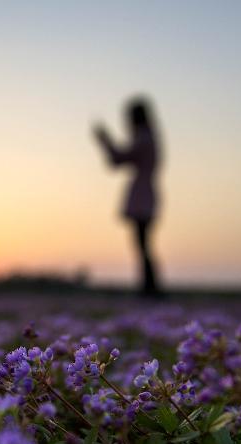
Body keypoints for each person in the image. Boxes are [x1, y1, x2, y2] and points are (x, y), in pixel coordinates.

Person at [93, 98, 162, 297]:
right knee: (143, 243)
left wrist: (104, 140)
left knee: (142, 243)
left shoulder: (143, 138)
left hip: (142, 195)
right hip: (147, 192)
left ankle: (150, 289)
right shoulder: (151, 137)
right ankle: (149, 288)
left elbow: (117, 159)